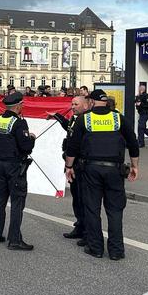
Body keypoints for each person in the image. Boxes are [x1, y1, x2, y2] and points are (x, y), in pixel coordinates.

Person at [64, 89, 140, 260]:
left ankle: (95, 247)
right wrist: (135, 165)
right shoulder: (117, 118)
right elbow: (133, 142)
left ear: (91, 102)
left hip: (91, 170)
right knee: (115, 210)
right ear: (106, 102)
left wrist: (69, 166)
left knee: (92, 209)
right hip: (115, 170)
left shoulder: (85, 119)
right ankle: (116, 251)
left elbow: (73, 146)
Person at [0, 92, 36, 251]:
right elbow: (26, 147)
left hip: (1, 165)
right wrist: (32, 138)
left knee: (0, 200)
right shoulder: (19, 123)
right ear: (18, 106)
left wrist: (4, 141)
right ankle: (14, 239)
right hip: (16, 167)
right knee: (17, 202)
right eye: (22, 105)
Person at [57, 95, 91, 243]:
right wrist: (57, 117)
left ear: (85, 105)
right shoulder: (74, 119)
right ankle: (79, 226)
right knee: (76, 198)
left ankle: (87, 231)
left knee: (84, 199)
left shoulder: (87, 120)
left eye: (76, 104)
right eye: (72, 104)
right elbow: (69, 129)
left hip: (82, 165)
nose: (72, 106)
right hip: (73, 164)